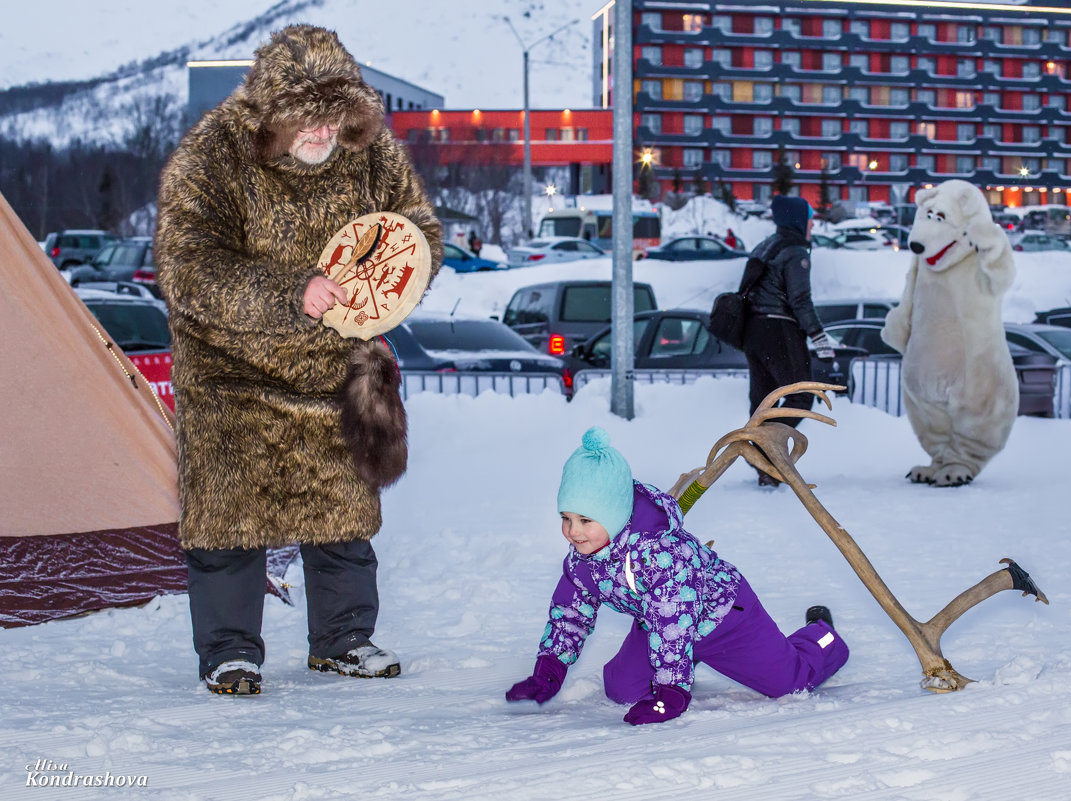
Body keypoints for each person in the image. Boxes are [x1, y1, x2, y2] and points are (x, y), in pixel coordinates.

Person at [155, 25, 444, 695]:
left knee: (342, 514)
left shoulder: (369, 152)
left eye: (332, 115)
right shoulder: (214, 154)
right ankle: (229, 651)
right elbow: (186, 265)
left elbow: (417, 229)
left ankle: (343, 638)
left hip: (334, 368)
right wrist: (291, 292)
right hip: (233, 374)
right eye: (305, 117)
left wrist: (393, 284)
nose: (321, 131)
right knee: (230, 521)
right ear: (272, 113)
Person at [505, 427, 848, 725]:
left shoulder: (660, 556)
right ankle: (684, 661)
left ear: (613, 515)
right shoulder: (584, 557)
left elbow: (673, 624)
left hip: (725, 620)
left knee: (788, 683)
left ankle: (823, 635)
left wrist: (672, 691)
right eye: (566, 518)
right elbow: (570, 614)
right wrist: (549, 670)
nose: (572, 532)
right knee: (622, 689)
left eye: (585, 520)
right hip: (658, 623)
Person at [741, 195, 836, 487]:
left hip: (754, 331)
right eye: (810, 219)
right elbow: (800, 299)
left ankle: (762, 461)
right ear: (798, 220)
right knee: (802, 394)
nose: (812, 225)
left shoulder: (767, 245)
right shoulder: (794, 251)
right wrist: (819, 338)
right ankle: (767, 450)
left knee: (762, 399)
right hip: (779, 329)